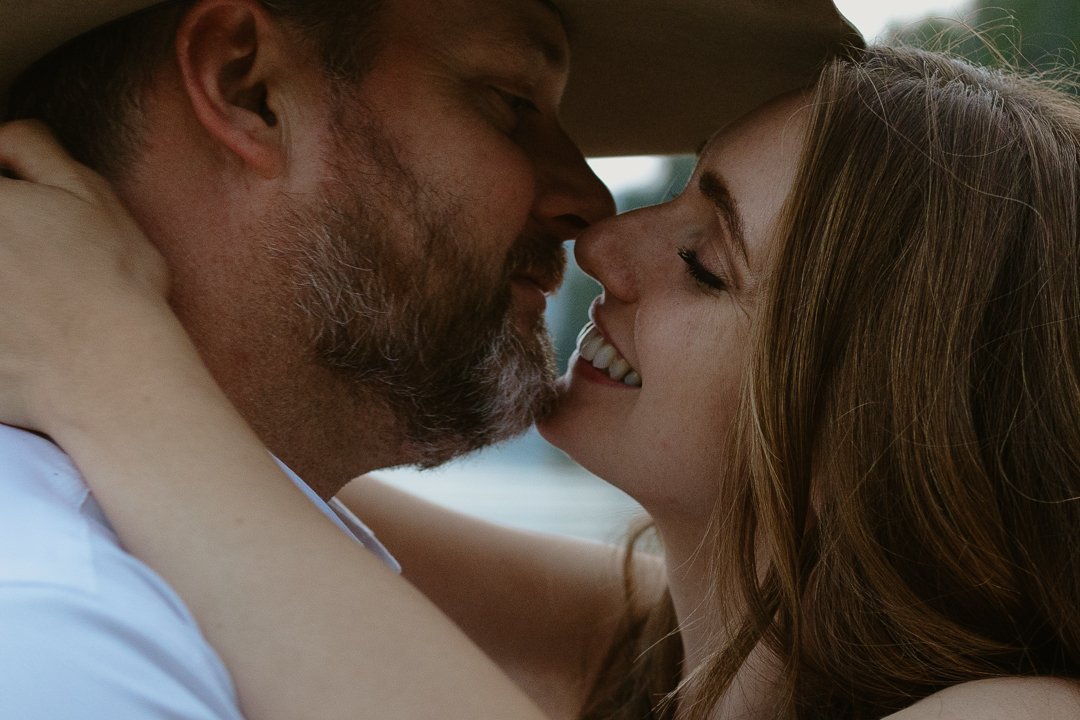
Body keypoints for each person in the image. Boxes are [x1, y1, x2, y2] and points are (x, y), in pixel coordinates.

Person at [3, 40, 1080, 719]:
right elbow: (253, 478)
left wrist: (107, 358)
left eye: (706, 262)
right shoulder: (658, 662)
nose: (607, 245)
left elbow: (205, 475)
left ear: (879, 426)